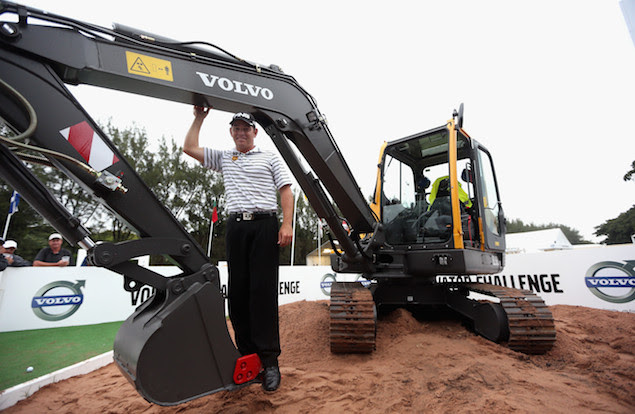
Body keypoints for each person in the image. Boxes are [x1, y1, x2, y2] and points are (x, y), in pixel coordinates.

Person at [184, 107, 293, 392]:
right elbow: (189, 148)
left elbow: (286, 190)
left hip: (265, 225)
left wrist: (287, 224)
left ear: (255, 132)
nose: (241, 132)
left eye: (246, 128)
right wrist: (199, 117)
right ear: (231, 132)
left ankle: (269, 361)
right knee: (238, 293)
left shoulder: (270, 157)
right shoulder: (224, 157)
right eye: (237, 128)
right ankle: (247, 358)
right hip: (236, 227)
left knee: (262, 292)